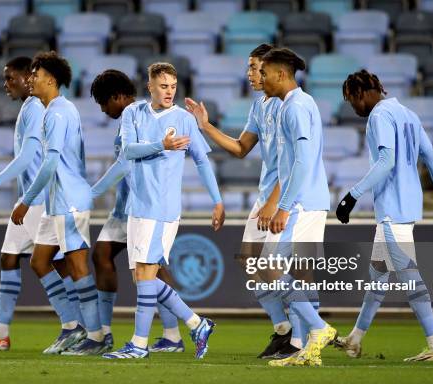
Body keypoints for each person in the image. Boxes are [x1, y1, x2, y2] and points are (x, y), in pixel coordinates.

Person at [334, 69, 433, 361]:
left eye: (352, 99)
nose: (353, 107)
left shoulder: (380, 115)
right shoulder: (408, 114)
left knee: (410, 278)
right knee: (378, 279)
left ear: (363, 93)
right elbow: (431, 158)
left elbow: (386, 160)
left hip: (392, 209)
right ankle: (355, 339)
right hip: (405, 208)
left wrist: (351, 196)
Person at [102, 62, 225, 359]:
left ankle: (139, 344)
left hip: (162, 207)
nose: (169, 91)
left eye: (173, 86)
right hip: (138, 207)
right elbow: (128, 152)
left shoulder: (183, 119)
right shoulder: (133, 113)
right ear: (150, 88)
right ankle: (196, 323)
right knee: (141, 277)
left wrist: (218, 200)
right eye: (163, 86)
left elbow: (201, 161)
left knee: (145, 275)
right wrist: (161, 145)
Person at [185, 43, 295, 359]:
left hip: (283, 199)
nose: (249, 74)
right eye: (248, 67)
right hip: (265, 196)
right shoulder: (260, 106)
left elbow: (293, 161)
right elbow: (240, 148)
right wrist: (204, 126)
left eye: (255, 67)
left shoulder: (288, 105)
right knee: (250, 263)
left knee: (271, 267)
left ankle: (309, 319)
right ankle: (284, 331)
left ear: (272, 69)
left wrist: (276, 202)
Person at [0, 57, 82, 351]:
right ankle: (2, 332)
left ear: (26, 78)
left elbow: (29, 156)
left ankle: (76, 325)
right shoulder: (31, 108)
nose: (7, 84)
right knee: (10, 257)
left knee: (50, 263)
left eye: (11, 78)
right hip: (28, 199)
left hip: (38, 199)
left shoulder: (33, 108)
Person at [10, 51, 103, 356]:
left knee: (77, 266)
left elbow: (50, 163)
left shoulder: (57, 112)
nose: (31, 79)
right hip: (56, 201)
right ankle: (71, 327)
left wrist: (25, 201)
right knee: (39, 261)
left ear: (50, 78)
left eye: (35, 74)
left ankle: (97, 335)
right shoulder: (57, 109)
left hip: (69, 200)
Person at [89, 69, 184, 353]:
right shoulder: (131, 116)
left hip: (145, 204)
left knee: (153, 267)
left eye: (104, 103)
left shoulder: (137, 116)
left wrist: (91, 193)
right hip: (125, 205)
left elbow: (125, 164)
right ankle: (104, 332)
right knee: (103, 254)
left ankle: (174, 333)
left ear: (118, 97)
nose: (103, 109)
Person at [258, 48, 337, 367]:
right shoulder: (294, 105)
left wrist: (284, 207)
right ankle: (307, 350)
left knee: (267, 268)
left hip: (302, 205)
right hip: (307, 202)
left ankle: (318, 329)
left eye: (264, 73)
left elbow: (302, 162)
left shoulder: (296, 108)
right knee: (293, 276)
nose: (260, 80)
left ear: (280, 74)